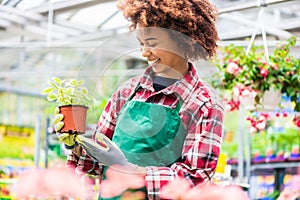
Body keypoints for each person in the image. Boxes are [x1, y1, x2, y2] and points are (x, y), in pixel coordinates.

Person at [54, 0, 224, 199]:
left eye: (152, 43)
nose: (144, 52)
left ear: (182, 40)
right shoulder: (127, 92)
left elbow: (196, 178)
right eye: (141, 44)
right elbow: (97, 162)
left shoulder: (203, 103)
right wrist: (73, 144)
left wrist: (130, 171)